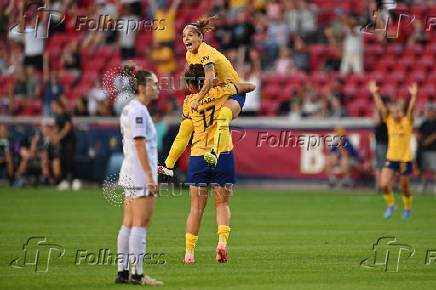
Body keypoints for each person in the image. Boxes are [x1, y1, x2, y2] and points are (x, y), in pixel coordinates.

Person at [159, 64, 256, 264]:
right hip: (222, 154)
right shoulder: (221, 92)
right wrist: (231, 86)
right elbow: (251, 86)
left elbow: (183, 136)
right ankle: (221, 242)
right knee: (222, 204)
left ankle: (189, 253)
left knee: (196, 208)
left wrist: (169, 162)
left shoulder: (189, 102)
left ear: (190, 84)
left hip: (198, 157)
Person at [115, 65, 163, 286]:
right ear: (143, 88)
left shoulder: (130, 108)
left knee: (128, 223)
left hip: (130, 171)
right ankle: (138, 275)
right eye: (153, 83)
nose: (157, 87)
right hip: (139, 174)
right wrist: (149, 176)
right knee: (141, 223)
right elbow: (140, 144)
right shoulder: (138, 111)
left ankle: (123, 272)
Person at [182, 16, 250, 167]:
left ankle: (215, 153)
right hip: (216, 93)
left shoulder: (205, 51)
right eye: (184, 36)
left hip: (233, 92)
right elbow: (197, 80)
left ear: (201, 37)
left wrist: (198, 100)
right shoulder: (189, 55)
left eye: (190, 35)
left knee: (223, 116)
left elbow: (210, 79)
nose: (186, 38)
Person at [369, 81, 417, 219]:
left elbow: (412, 110)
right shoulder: (389, 121)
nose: (395, 113)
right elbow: (381, 109)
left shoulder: (407, 122)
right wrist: (375, 94)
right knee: (383, 184)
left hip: (404, 159)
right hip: (391, 158)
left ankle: (407, 208)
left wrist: (414, 96)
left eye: (397, 111)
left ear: (401, 112)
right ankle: (391, 205)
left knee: (404, 188)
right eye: (393, 111)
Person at [51, 99, 78, 190]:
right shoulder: (57, 116)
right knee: (62, 161)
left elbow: (68, 127)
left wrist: (59, 136)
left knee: (69, 160)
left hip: (69, 141)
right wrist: (54, 137)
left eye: (53, 105)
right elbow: (56, 128)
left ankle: (74, 180)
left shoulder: (66, 114)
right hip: (63, 142)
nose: (52, 107)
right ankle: (65, 181)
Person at [417, 103, 436, 193]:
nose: (428, 113)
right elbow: (419, 133)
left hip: (433, 149)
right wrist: (419, 140)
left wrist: (427, 141)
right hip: (424, 149)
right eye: (427, 111)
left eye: (429, 111)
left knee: (434, 168)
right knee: (423, 169)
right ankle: (423, 185)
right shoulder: (424, 122)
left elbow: (434, 135)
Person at [372, 97, 389, 191]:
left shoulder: (389, 112)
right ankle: (379, 185)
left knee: (389, 165)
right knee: (380, 165)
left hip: (389, 141)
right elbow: (376, 122)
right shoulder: (379, 112)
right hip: (381, 142)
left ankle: (388, 185)